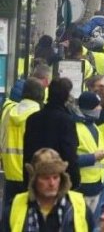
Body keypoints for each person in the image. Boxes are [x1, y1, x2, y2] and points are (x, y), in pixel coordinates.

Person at [1, 148, 94, 232]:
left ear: (62, 178)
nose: (52, 183)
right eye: (45, 178)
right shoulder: (15, 207)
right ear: (34, 180)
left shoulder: (79, 205)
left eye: (55, 177)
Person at [23, 78, 80, 189]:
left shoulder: (32, 119)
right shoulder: (66, 120)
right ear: (66, 96)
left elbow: (27, 151)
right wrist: (74, 180)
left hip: (36, 177)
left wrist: (27, 179)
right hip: (57, 180)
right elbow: (70, 153)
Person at [0, 78, 44, 211]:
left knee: (9, 215)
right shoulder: (39, 114)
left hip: (9, 172)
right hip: (30, 173)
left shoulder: (8, 112)